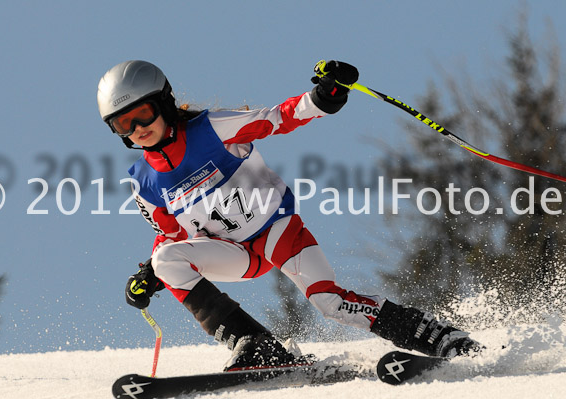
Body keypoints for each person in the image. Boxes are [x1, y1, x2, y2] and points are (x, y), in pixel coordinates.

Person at [97, 60, 480, 371]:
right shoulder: (143, 182)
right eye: (123, 124)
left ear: (163, 103)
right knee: (166, 260)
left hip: (278, 231)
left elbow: (278, 117)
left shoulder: (211, 129)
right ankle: (257, 345)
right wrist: (150, 272)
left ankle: (437, 337)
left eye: (143, 115)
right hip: (234, 253)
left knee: (329, 303)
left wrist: (322, 98)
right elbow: (171, 236)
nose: (137, 129)